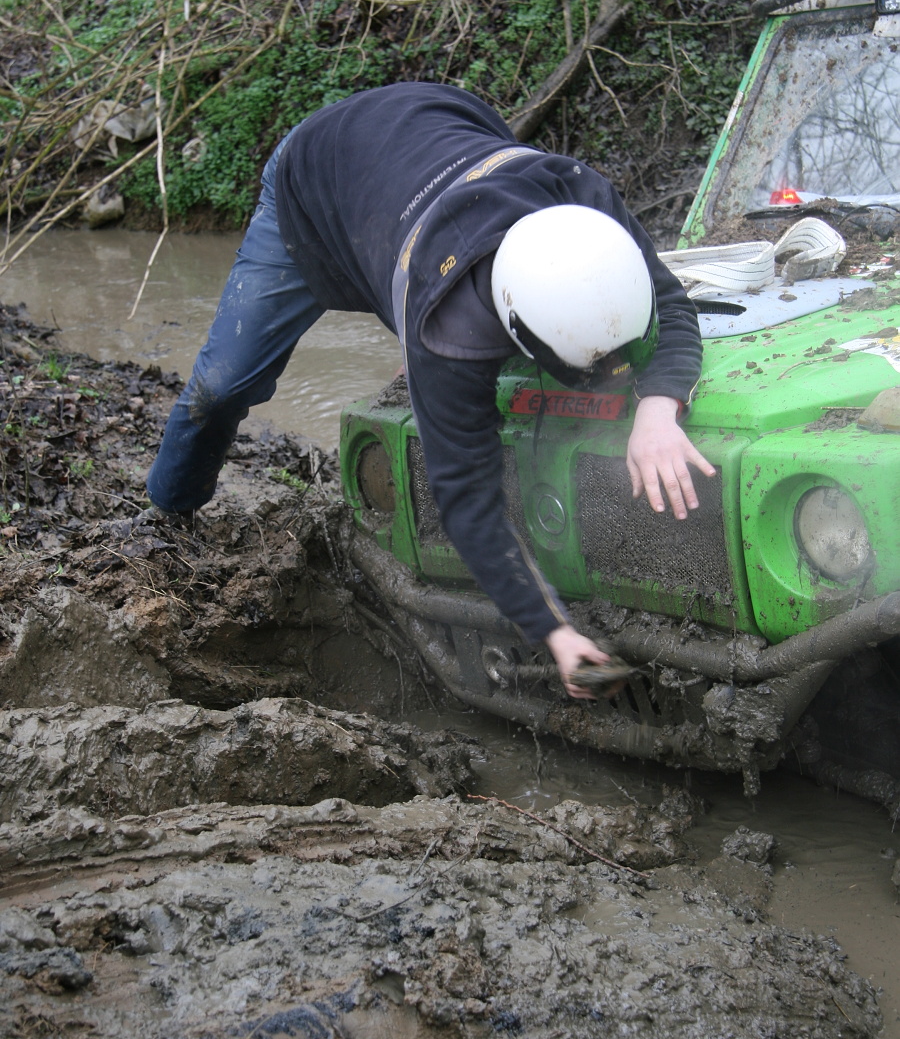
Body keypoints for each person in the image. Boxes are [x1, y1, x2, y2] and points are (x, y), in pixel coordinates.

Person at [147, 82, 713, 698]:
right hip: (315, 177)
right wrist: (550, 629)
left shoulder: (588, 207)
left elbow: (675, 307)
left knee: (423, 312)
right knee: (223, 385)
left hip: (443, 123)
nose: (615, 374)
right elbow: (465, 499)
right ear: (510, 327)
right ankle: (169, 509)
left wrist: (658, 409)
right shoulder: (448, 328)